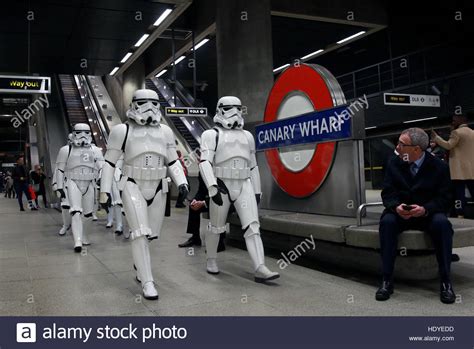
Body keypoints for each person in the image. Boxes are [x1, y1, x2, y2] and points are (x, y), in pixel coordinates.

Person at [100, 89, 189, 300]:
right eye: (144, 103)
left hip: (159, 187)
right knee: (139, 232)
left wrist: (182, 182)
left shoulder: (165, 132)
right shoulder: (122, 131)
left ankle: (140, 263)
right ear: (134, 105)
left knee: (151, 235)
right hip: (132, 185)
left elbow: (172, 160)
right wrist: (104, 192)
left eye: (154, 103)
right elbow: (110, 162)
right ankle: (148, 281)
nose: (149, 108)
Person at [199, 96, 279, 282]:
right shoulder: (211, 135)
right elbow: (205, 162)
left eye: (238, 108)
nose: (234, 112)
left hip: (244, 183)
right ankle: (211, 259)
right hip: (222, 184)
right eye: (229, 108)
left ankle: (260, 267)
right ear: (220, 110)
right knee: (217, 227)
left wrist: (257, 191)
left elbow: (253, 166)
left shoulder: (247, 136)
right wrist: (212, 187)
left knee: (253, 226)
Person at [377, 127, 455, 304]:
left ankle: (445, 282)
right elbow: (387, 193)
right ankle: (386, 280)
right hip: (400, 214)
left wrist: (425, 209)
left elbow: (446, 199)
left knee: (442, 224)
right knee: (387, 223)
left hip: (427, 214)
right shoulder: (393, 163)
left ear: (416, 149)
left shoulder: (439, 167)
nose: (397, 147)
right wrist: (396, 207)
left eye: (402, 144)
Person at [54, 124, 104, 252]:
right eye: (79, 132)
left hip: (90, 183)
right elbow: (59, 169)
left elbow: (102, 166)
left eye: (86, 133)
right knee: (76, 211)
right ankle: (77, 241)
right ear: (73, 133)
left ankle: (85, 236)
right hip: (73, 182)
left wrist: (103, 181)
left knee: (88, 214)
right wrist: (59, 186)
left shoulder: (95, 150)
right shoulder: (66, 150)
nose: (83, 136)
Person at [431, 115, 474, 218]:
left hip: (458, 169)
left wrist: (436, 138)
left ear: (461, 120)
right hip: (471, 168)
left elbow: (448, 145)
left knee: (459, 192)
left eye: (454, 120)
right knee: (473, 190)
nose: (453, 122)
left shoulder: (456, 132)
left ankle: (460, 213)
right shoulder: (472, 132)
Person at [178, 169, 226, 252]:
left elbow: (223, 194)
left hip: (222, 201)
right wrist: (195, 200)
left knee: (217, 208)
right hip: (210, 200)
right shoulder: (203, 171)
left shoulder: (219, 170)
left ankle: (220, 242)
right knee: (193, 206)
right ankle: (195, 238)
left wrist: (204, 203)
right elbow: (201, 191)